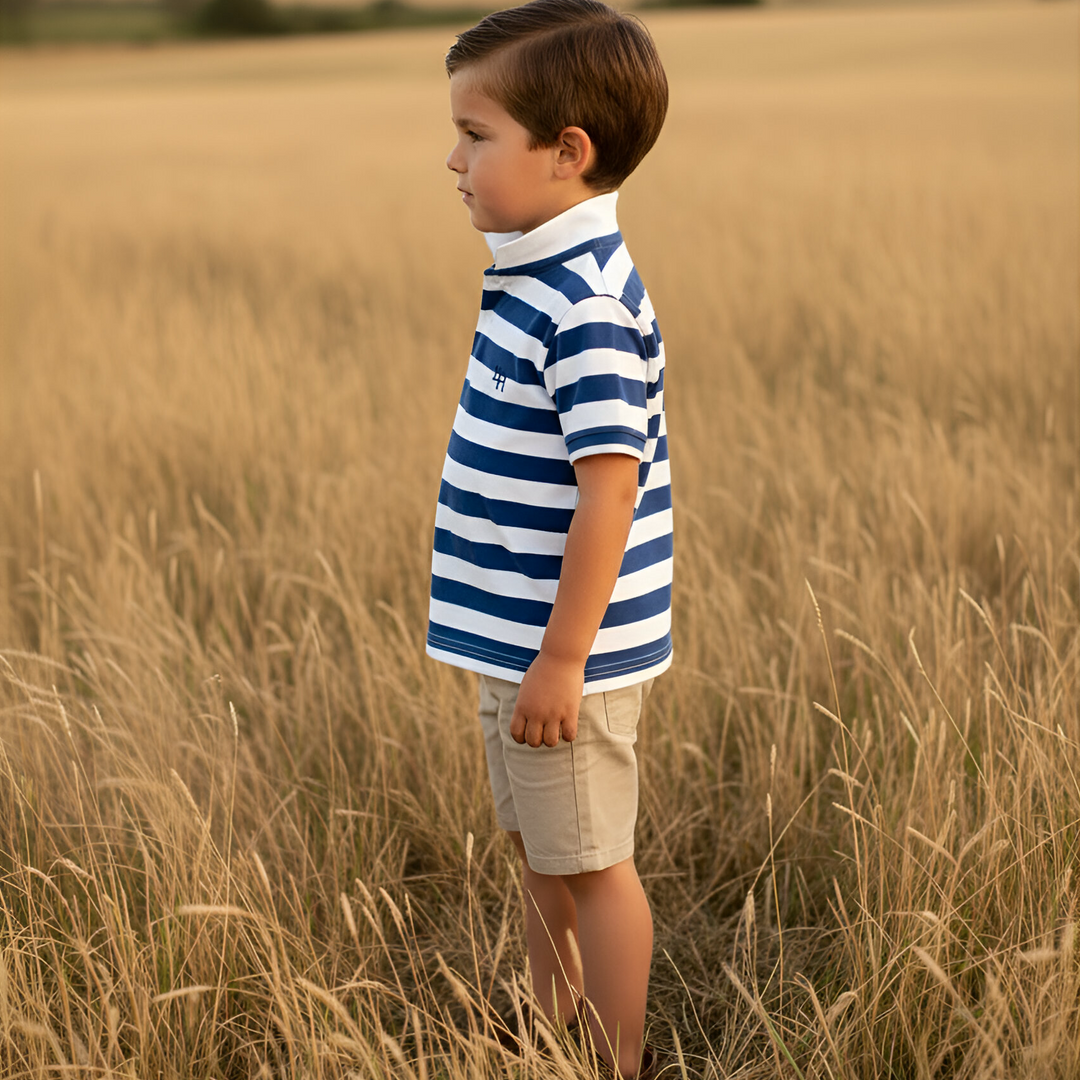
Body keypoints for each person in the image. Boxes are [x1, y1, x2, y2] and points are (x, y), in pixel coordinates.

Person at [426, 2, 671, 1075]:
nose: (453, 159)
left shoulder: (585, 304)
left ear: (568, 154)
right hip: (516, 650)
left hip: (558, 660)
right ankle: (552, 1024)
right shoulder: (532, 273)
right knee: (539, 855)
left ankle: (614, 1062)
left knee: (594, 868)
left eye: (477, 136)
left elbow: (608, 496)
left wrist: (562, 660)